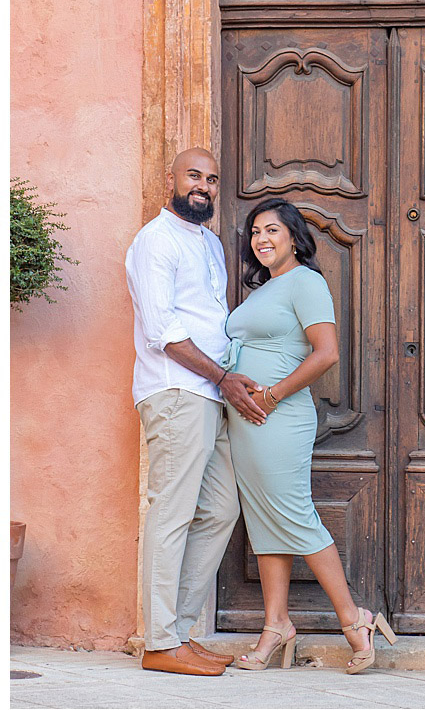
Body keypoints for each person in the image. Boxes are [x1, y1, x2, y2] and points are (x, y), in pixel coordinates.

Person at [223, 197, 396, 674]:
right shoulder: (261, 291)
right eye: (255, 231)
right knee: (264, 522)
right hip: (248, 420)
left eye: (272, 230)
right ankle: (276, 625)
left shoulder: (307, 283)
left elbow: (326, 353)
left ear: (294, 238)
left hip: (278, 417)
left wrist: (272, 396)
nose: (261, 239)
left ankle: (353, 618)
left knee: (295, 515)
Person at [125, 147, 269, 677]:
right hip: (176, 393)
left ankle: (181, 632)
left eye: (211, 178)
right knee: (171, 513)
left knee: (219, 509)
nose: (203, 186)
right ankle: (160, 642)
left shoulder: (208, 242)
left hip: (210, 395)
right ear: (171, 179)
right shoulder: (154, 241)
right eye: (193, 176)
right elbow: (165, 331)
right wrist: (224, 378)